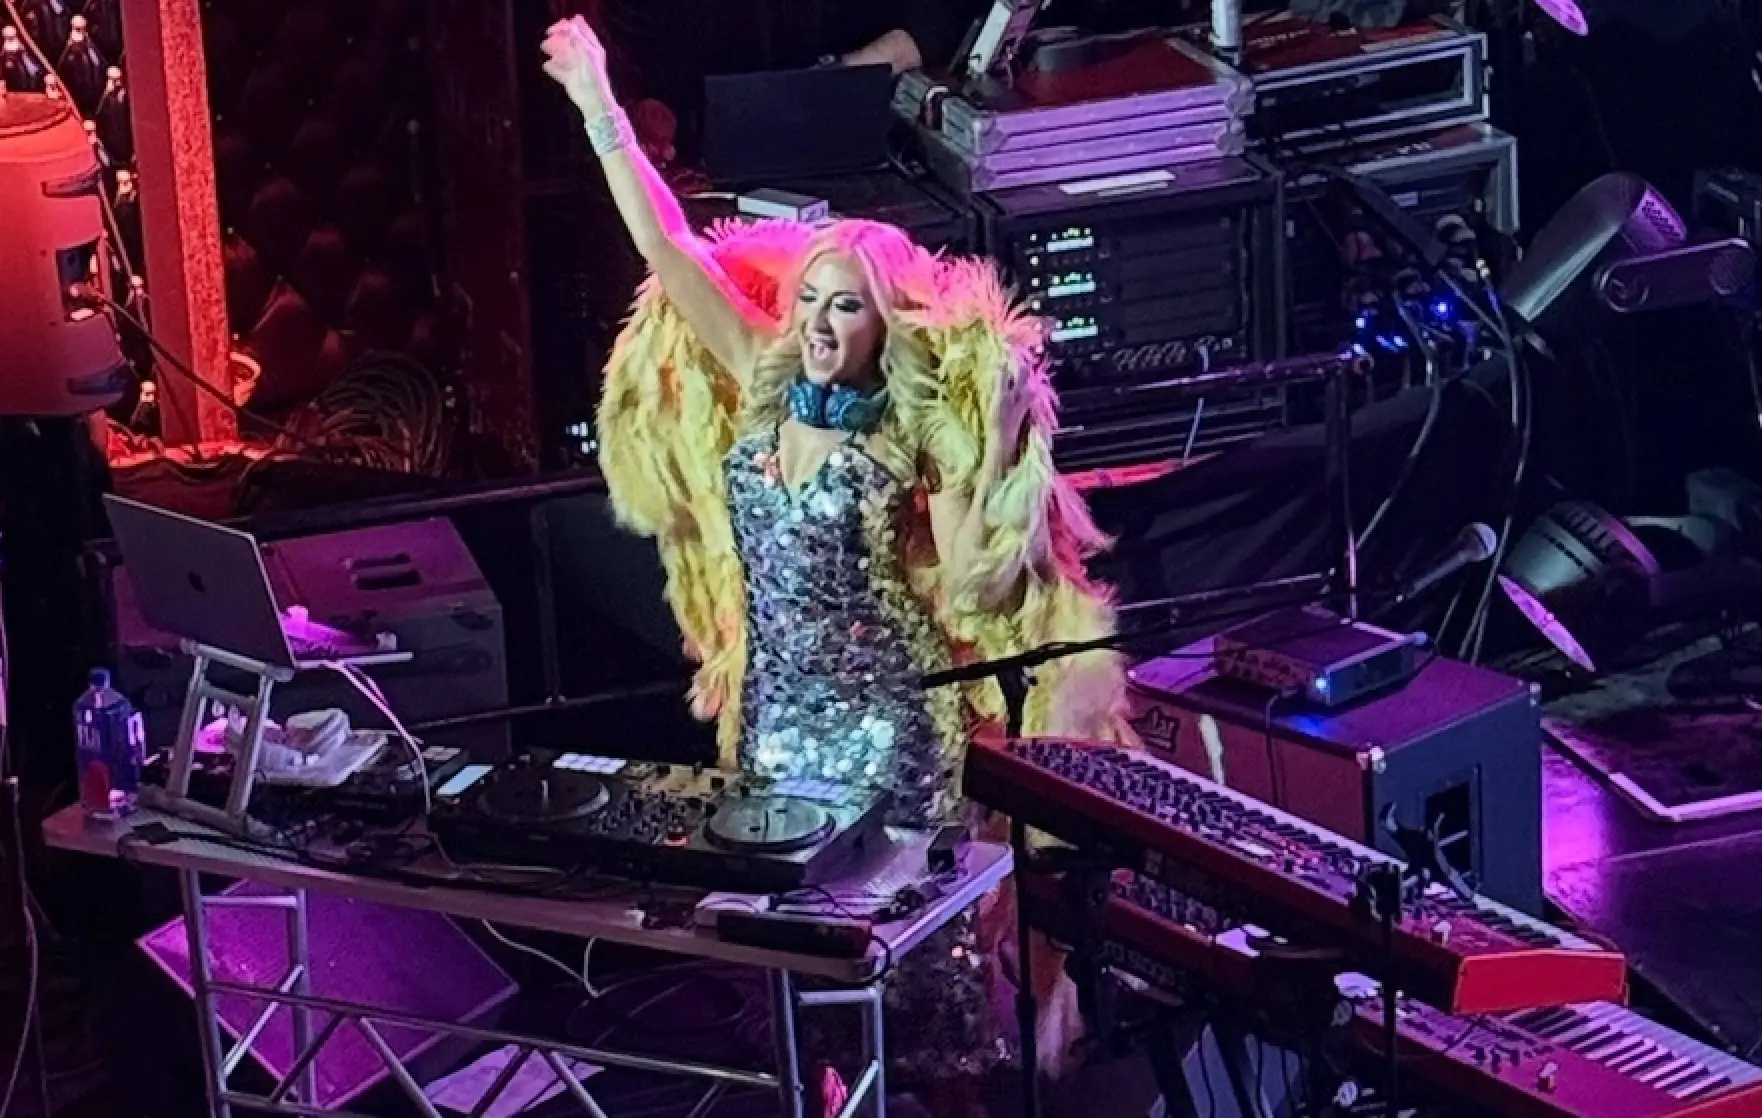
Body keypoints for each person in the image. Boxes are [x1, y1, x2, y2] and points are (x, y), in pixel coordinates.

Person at [542, 16, 1130, 1117]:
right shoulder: (759, 376)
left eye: (842, 302)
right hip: (776, 721)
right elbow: (670, 252)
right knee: (800, 981)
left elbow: (968, 586)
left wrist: (986, 445)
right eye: (808, 296)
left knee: (920, 985)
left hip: (890, 728)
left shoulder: (910, 437)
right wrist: (599, 107)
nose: (815, 319)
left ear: (881, 323)